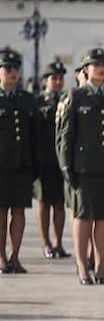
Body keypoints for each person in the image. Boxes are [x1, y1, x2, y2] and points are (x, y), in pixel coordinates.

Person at [57, 48, 104, 284]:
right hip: (83, 167)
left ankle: (100, 267)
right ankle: (82, 267)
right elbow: (66, 136)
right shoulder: (75, 97)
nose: (101, 68)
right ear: (86, 69)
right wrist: (66, 166)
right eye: (95, 64)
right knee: (83, 217)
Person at [0, 49, 36, 274]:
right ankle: (1, 256)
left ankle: (15, 256)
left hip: (22, 163)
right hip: (1, 165)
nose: (12, 72)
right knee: (1, 211)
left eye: (15, 69)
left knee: (19, 211)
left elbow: (34, 134)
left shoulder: (27, 99)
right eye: (7, 69)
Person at [34, 61, 69, 260]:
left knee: (59, 203)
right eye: (53, 78)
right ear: (45, 81)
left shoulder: (67, 100)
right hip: (44, 159)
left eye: (60, 78)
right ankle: (45, 242)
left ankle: (58, 242)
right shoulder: (38, 102)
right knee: (43, 202)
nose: (57, 81)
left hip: (61, 160)